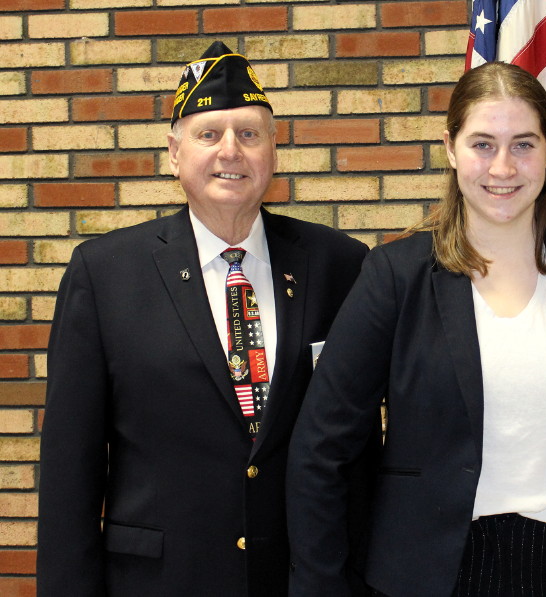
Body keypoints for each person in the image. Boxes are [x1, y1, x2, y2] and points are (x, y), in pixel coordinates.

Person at [286, 61, 546, 597]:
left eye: (522, 144)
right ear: (450, 149)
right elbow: (320, 448)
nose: (502, 167)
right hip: (431, 576)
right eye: (482, 144)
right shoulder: (395, 277)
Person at [37, 42, 374, 597]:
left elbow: (360, 450)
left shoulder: (340, 265)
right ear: (173, 153)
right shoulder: (105, 274)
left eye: (249, 133)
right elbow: (70, 469)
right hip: (159, 581)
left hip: (303, 579)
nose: (230, 151)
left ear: (273, 148)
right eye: (208, 134)